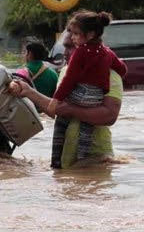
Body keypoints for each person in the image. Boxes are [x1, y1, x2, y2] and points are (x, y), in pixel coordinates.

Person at [47, 10, 127, 168]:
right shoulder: (107, 53)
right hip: (95, 99)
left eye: (75, 35)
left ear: (90, 34)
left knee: (62, 116)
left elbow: (69, 82)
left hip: (97, 156)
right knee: (86, 126)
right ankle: (80, 156)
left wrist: (55, 101)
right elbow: (123, 69)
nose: (73, 39)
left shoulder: (81, 53)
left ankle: (55, 160)